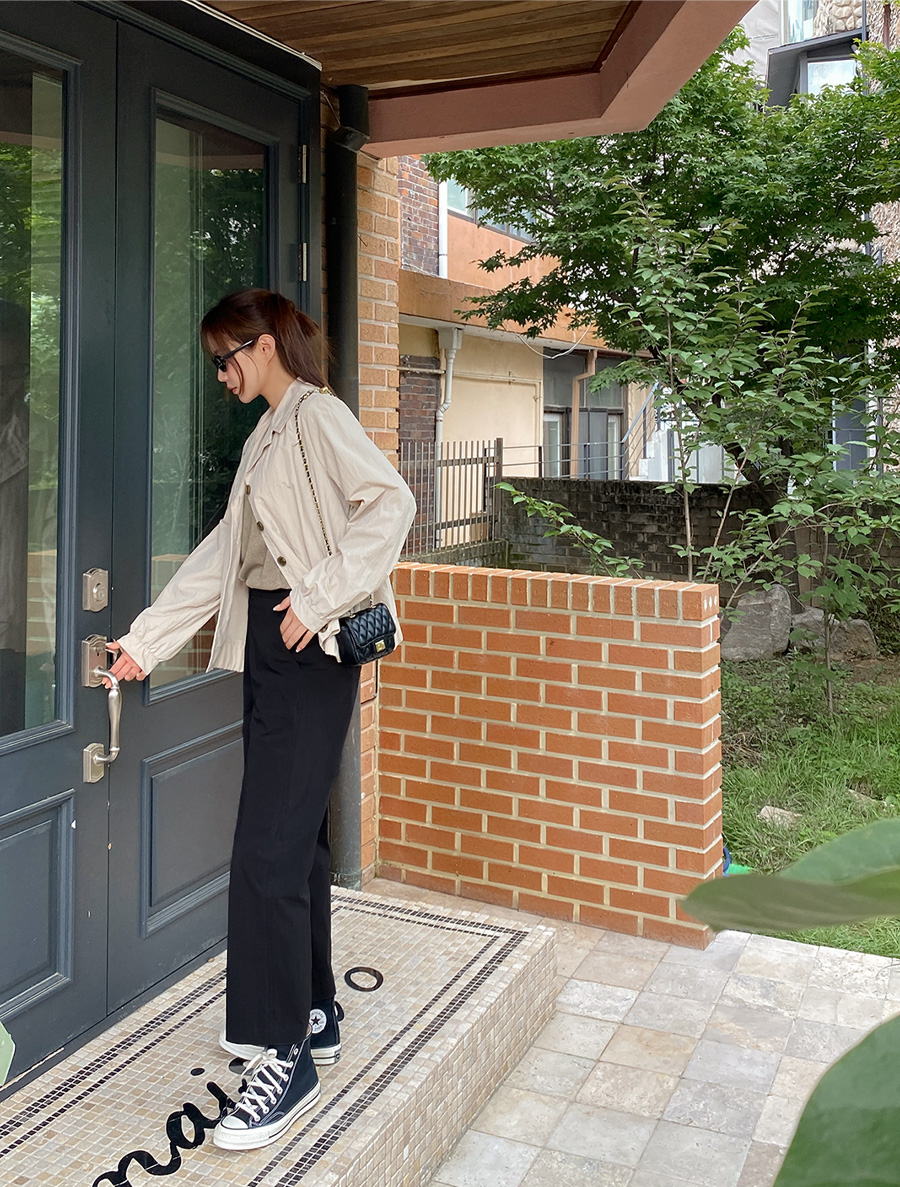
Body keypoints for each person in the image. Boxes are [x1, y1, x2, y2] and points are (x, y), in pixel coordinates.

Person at [108, 288, 416, 1152]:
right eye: (216, 361)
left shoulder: (315, 415)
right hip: (275, 655)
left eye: (226, 358)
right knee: (298, 845)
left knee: (266, 854)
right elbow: (222, 555)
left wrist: (316, 598)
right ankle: (312, 1008)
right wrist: (145, 641)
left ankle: (285, 1056)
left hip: (307, 650)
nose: (221, 374)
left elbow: (391, 503)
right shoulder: (268, 433)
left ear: (265, 346)